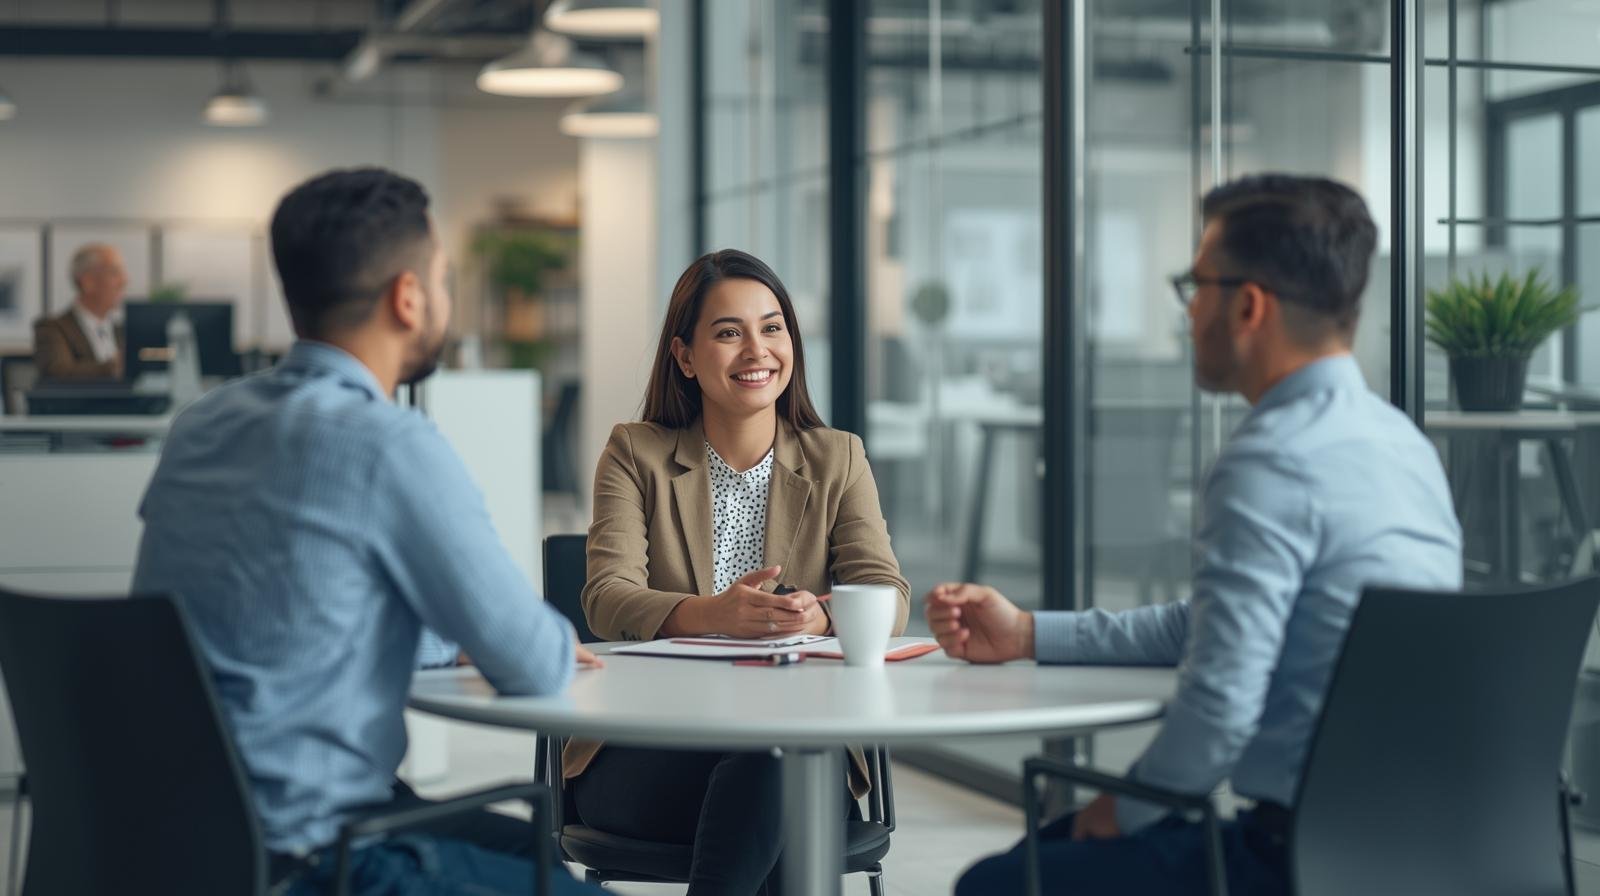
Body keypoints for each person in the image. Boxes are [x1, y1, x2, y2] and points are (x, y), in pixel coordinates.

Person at [928, 174, 1463, 896]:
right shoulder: (1403, 446)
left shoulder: (1271, 459)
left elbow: (1220, 710)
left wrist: (1123, 809)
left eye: (1196, 286)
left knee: (993, 885)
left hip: (1296, 863)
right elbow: (1214, 628)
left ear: (1247, 306)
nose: (1187, 313)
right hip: (1429, 847)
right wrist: (1027, 632)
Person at [131, 167, 604, 896]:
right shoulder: (387, 445)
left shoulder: (201, 427)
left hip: (177, 838)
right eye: (443, 279)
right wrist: (527, 637)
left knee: (529, 853)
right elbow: (535, 666)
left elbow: (302, 621)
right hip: (319, 855)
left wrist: (452, 637)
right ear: (407, 299)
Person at [570, 248, 910, 895]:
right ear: (685, 356)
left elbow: (888, 593)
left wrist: (825, 613)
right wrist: (713, 616)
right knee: (784, 801)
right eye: (729, 332)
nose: (757, 350)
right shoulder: (635, 452)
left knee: (778, 767)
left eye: (772, 327)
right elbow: (607, 597)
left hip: (793, 744)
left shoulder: (838, 457)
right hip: (648, 747)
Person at [34, 243, 127, 380]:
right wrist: (114, 367)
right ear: (88, 282)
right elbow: (58, 373)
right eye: (114, 273)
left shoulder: (122, 330)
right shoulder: (52, 329)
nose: (124, 281)